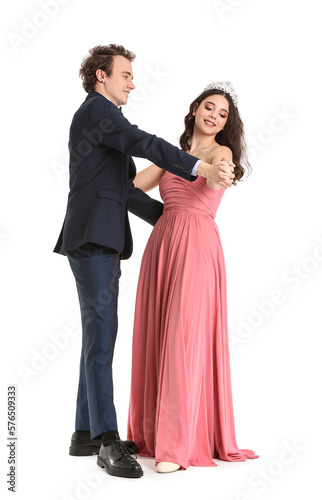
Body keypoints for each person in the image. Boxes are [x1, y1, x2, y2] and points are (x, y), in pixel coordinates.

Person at [53, 45, 235, 480]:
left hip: (105, 236)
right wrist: (196, 167)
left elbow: (126, 189)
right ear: (101, 76)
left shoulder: (100, 118)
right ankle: (108, 441)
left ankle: (85, 432)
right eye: (126, 75)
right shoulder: (100, 112)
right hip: (94, 236)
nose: (133, 83)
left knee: (98, 334)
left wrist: (172, 219)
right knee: (102, 336)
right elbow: (143, 143)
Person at [127, 81, 258, 473]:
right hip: (163, 244)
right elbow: (133, 186)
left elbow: (220, 176)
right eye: (209, 107)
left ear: (224, 125)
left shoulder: (222, 152)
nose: (214, 115)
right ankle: (151, 434)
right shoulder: (174, 153)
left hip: (196, 246)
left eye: (222, 114)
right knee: (156, 333)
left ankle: (176, 445)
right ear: (195, 108)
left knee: (183, 337)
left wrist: (223, 175)